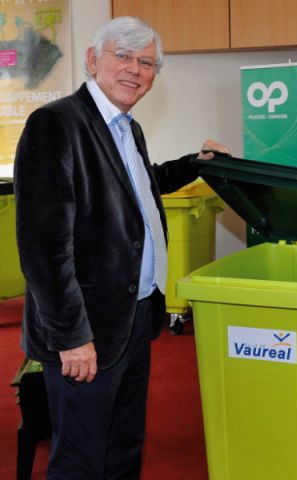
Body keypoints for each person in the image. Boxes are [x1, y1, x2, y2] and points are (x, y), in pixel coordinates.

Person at [13, 16, 228, 479]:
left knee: (124, 449)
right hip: (84, 330)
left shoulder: (127, 128)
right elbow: (42, 250)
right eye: (124, 56)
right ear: (93, 60)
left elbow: (140, 188)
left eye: (146, 62)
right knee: (80, 460)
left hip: (133, 319)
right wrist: (72, 338)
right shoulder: (55, 124)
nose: (135, 69)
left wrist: (197, 163)